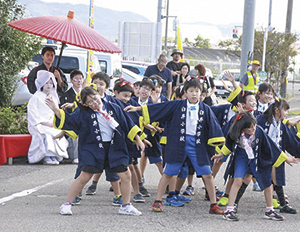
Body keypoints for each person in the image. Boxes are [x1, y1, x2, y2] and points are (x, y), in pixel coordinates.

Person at [125, 78, 225, 214]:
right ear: (185, 92)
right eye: (191, 91)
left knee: (207, 174)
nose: (194, 94)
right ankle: (158, 201)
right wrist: (137, 108)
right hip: (179, 143)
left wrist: (220, 143)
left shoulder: (205, 109)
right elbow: (159, 108)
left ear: (201, 93)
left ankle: (214, 205)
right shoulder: (177, 104)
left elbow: (214, 126)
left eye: (197, 91)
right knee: (168, 173)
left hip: (197, 145)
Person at [46, 86, 145, 216]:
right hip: (92, 148)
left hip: (114, 147)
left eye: (95, 99)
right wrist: (55, 109)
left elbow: (127, 123)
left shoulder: (113, 107)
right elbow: (69, 120)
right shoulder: (83, 112)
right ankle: (66, 204)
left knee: (126, 175)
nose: (94, 103)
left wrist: (138, 139)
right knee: (84, 176)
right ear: (84, 104)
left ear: (99, 95)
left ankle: (126, 206)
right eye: (89, 102)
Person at [212, 111, 298, 221]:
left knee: (267, 183)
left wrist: (286, 158)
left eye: (254, 126)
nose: (253, 130)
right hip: (241, 156)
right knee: (237, 180)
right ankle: (229, 210)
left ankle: (269, 210)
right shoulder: (235, 132)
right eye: (249, 129)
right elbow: (228, 144)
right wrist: (221, 154)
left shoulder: (259, 131)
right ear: (242, 128)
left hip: (257, 156)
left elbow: (272, 146)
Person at [27, 70, 69, 164]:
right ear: (41, 84)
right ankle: (47, 156)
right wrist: (44, 122)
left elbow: (55, 112)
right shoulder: (35, 97)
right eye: (46, 83)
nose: (49, 85)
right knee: (47, 133)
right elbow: (33, 114)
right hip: (38, 124)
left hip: (51, 123)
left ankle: (54, 156)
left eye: (51, 83)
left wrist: (53, 122)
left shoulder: (53, 98)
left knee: (56, 132)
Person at [60, 69, 84, 164]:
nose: (79, 81)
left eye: (80, 79)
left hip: (85, 120)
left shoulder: (86, 93)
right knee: (75, 133)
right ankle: (76, 156)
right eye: (76, 79)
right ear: (71, 80)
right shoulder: (66, 95)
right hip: (72, 121)